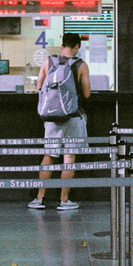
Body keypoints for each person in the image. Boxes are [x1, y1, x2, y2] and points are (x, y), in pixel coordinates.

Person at [28, 33, 91, 210]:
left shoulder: (48, 62)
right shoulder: (81, 65)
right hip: (73, 116)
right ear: (77, 47)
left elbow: (39, 87)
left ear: (62, 45)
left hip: (51, 118)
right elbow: (86, 94)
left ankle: (39, 198)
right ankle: (64, 201)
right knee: (69, 157)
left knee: (49, 156)